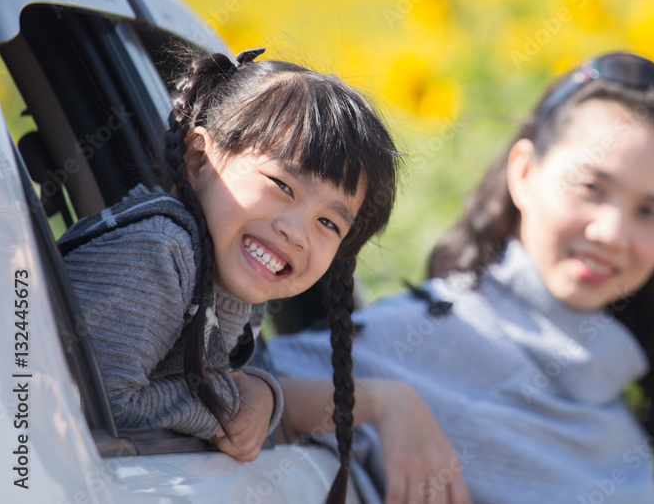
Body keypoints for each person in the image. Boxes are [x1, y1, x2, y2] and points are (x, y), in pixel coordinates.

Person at [268, 51, 654, 503]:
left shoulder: (609, 401)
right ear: (523, 173)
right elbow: (217, 397)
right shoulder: (421, 339)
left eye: (651, 212)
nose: (611, 232)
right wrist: (379, 403)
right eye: (591, 187)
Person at [59, 48, 401, 504]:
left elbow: (236, 372)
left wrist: (261, 394)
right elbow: (95, 405)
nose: (296, 232)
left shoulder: (235, 276)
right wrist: (227, 406)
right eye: (281, 186)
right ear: (200, 159)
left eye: (328, 223)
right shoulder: (160, 250)